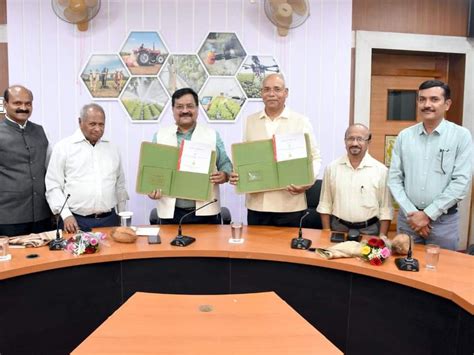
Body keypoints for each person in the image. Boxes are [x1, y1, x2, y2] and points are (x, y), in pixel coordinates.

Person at [388, 80, 472, 250]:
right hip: (408, 220)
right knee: (403, 268)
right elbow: (394, 179)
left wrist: (428, 214)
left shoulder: (461, 136)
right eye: (422, 99)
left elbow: (461, 182)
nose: (427, 105)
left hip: (443, 223)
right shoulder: (405, 136)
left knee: (440, 272)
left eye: (434, 99)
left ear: (447, 104)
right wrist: (413, 214)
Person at [229, 73, 322, 227]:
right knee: (256, 248)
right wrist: (237, 174)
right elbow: (245, 158)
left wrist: (307, 181)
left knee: (287, 250)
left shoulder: (300, 121)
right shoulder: (250, 121)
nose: (271, 94)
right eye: (267, 89)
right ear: (261, 93)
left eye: (277, 89)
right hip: (257, 205)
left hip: (290, 205)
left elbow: (315, 157)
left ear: (286, 93)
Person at [148, 88, 233, 224]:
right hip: (171, 214)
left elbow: (225, 164)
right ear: (173, 110)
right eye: (180, 107)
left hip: (206, 212)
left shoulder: (212, 135)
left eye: (190, 106)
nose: (185, 111)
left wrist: (225, 175)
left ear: (198, 109)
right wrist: (150, 189)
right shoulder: (159, 136)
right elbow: (151, 171)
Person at [45, 103, 129, 233]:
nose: (97, 129)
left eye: (101, 124)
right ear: (80, 122)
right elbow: (53, 185)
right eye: (92, 124)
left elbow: (120, 184)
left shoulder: (113, 149)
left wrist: (123, 216)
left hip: (110, 220)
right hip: (75, 222)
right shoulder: (63, 148)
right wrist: (66, 215)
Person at [317, 124, 393, 236]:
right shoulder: (332, 168)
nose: (355, 143)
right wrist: (326, 232)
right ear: (345, 141)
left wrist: (382, 237)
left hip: (369, 230)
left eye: (360, 139)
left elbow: (385, 209)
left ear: (368, 142)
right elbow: (325, 204)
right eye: (351, 139)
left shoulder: (381, 171)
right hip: (338, 228)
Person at [0, 85, 52, 236]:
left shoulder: (41, 131)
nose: (23, 107)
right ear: (5, 104)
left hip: (42, 216)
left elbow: (50, 170)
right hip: (8, 219)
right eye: (17, 103)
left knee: (46, 259)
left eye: (28, 103)